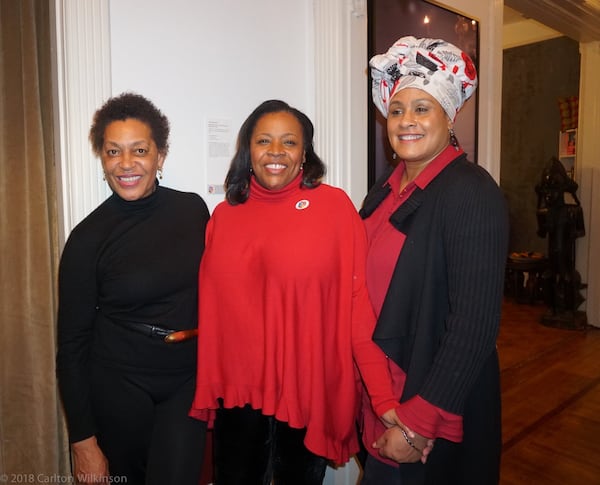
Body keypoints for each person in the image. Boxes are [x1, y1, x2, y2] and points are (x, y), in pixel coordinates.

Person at [189, 99, 403, 484]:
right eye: (263, 141)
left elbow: (357, 307)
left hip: (307, 395)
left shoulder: (334, 207)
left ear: (304, 153)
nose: (275, 152)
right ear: (247, 150)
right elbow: (215, 316)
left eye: (289, 142)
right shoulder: (223, 216)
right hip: (239, 399)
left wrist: (383, 397)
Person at [359, 37, 509, 484]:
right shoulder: (382, 192)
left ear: (449, 116)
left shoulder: (470, 191)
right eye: (398, 108)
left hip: (427, 410)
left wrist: (416, 423)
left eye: (423, 108)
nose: (406, 121)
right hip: (382, 395)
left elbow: (474, 325)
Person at [56, 92, 209, 485]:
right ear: (102, 159)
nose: (126, 163)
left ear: (160, 156)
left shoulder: (194, 211)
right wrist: (82, 443)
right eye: (113, 152)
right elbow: (71, 346)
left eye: (139, 150)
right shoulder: (86, 239)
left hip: (186, 380)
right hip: (119, 383)